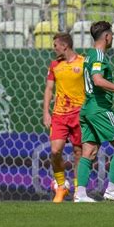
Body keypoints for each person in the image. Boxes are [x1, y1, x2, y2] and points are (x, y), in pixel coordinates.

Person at [74, 21, 114, 203]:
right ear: (107, 36)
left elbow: (95, 83)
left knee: (90, 151)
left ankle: (81, 194)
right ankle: (112, 189)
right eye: (112, 35)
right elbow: (98, 80)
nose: (113, 38)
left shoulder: (89, 56)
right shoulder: (99, 55)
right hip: (99, 108)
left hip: (87, 108)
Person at [43, 33, 85, 203]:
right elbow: (48, 89)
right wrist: (46, 112)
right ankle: (61, 186)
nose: (54, 49)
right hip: (59, 115)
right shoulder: (55, 65)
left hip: (79, 114)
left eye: (55, 45)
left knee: (78, 152)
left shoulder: (83, 63)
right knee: (55, 151)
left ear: (64, 46)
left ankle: (77, 191)